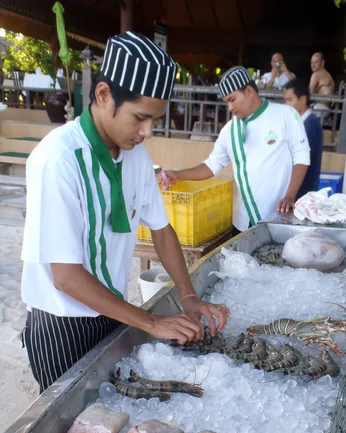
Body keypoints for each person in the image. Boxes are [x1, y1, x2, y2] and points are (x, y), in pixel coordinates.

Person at [21, 31, 229, 394]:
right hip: (62, 321)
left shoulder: (134, 155)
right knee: (69, 429)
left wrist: (188, 295)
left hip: (112, 309)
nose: (147, 131)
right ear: (104, 95)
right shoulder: (57, 160)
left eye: (154, 120)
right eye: (140, 117)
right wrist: (149, 321)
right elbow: (66, 277)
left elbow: (162, 231)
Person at [161, 66, 310, 233]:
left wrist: (290, 195)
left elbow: (301, 156)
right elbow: (212, 165)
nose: (230, 107)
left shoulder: (286, 115)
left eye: (232, 99)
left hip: (277, 217)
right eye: (226, 102)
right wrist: (179, 174)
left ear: (249, 91)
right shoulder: (229, 130)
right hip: (242, 222)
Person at [284, 79, 323, 198]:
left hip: (302, 193)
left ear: (303, 99)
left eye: (290, 100)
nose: (286, 105)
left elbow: (300, 161)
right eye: (285, 100)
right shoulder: (302, 123)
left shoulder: (310, 124)